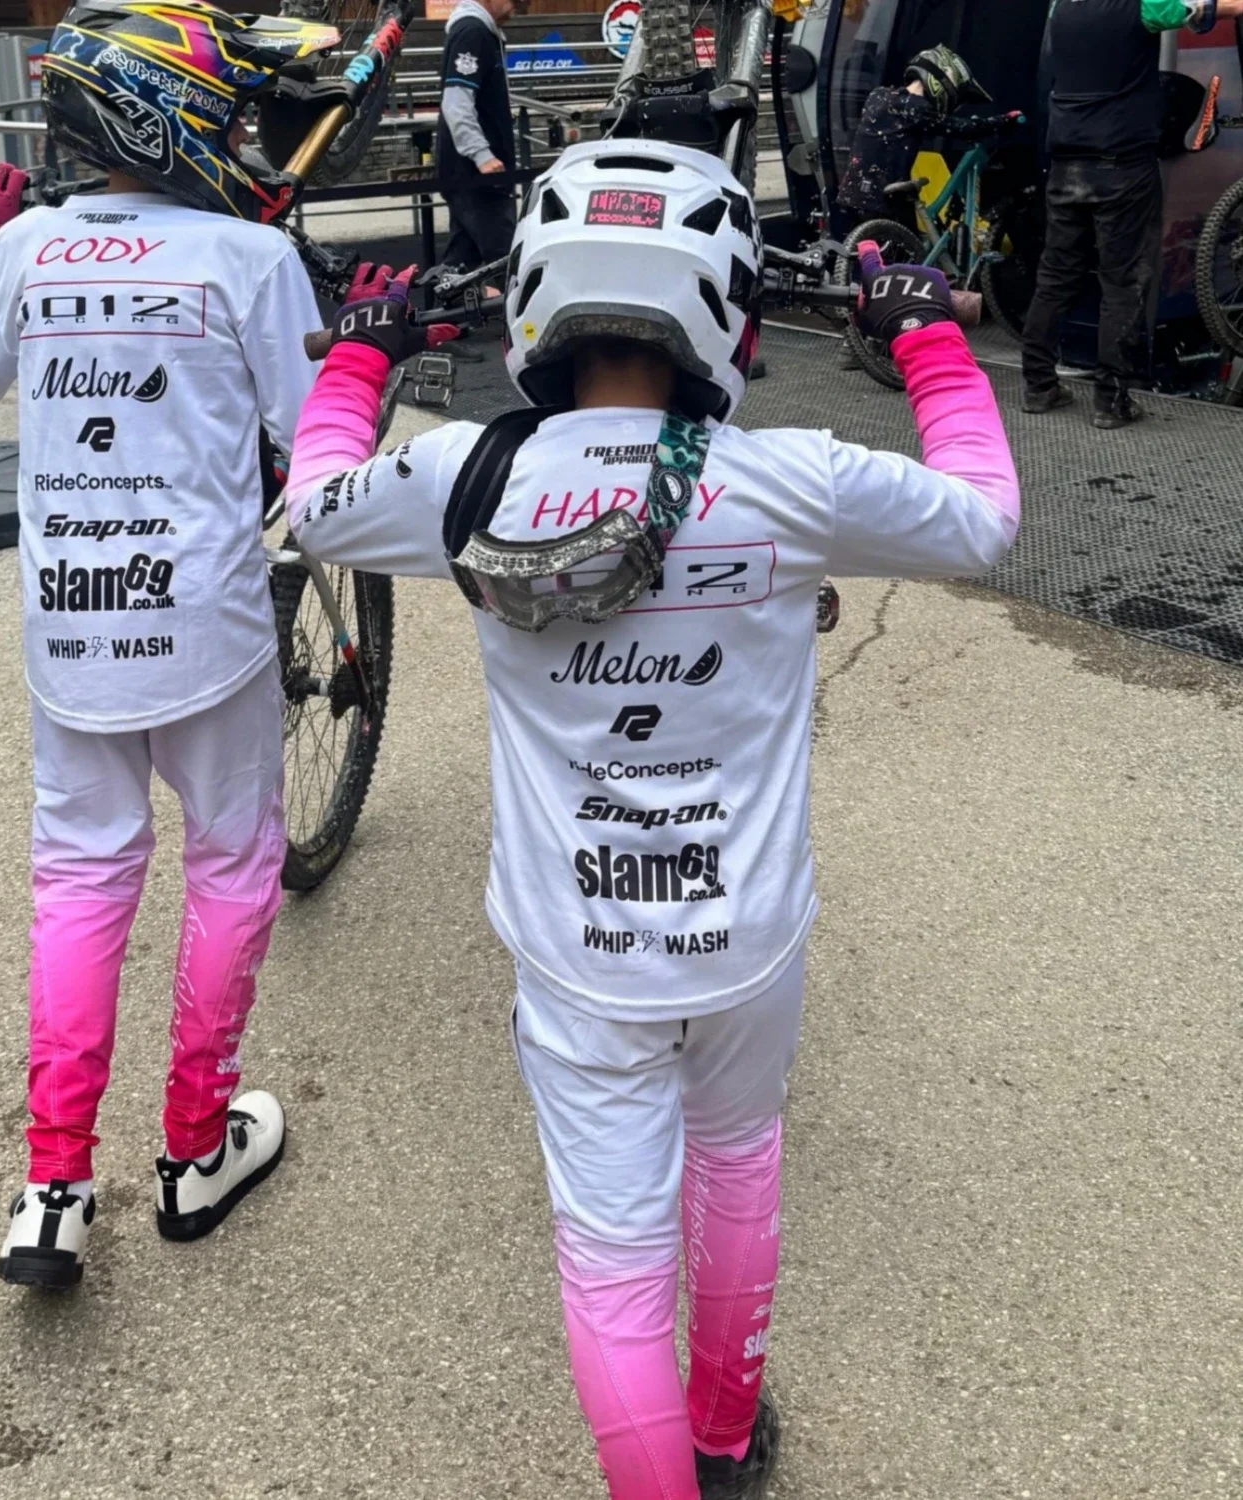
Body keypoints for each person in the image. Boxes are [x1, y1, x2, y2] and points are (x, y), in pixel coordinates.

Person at [285, 140, 1019, 1500]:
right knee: (739, 1162)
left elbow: (313, 511)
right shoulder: (788, 479)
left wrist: (359, 359)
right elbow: (984, 521)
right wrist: (922, 338)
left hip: (580, 954)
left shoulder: (467, 474)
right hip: (748, 938)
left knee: (611, 1256)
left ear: (541, 307)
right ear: (727, 307)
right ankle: (727, 1437)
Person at [0, 0, 324, 1288]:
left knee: (80, 878)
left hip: (69, 630)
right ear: (175, 109)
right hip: (207, 626)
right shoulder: (250, 259)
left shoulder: (24, 246)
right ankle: (198, 1146)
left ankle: (53, 1184)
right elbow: (320, 450)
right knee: (232, 860)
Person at [1022, 0, 1243, 427]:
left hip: (1068, 162)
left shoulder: (1059, 9)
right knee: (1123, 282)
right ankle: (1112, 400)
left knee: (1055, 278)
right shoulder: (1138, 7)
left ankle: (1039, 386)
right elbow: (1194, 9)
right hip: (1121, 164)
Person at [836, 44, 990, 369]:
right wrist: (1002, 121)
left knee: (866, 271)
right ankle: (892, 341)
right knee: (898, 275)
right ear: (941, 81)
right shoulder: (915, 107)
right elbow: (957, 128)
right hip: (886, 198)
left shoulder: (880, 95)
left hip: (854, 194)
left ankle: (853, 346)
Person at [436, 0, 521, 271]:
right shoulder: (473, 32)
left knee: (460, 267)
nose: (519, 8)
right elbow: (456, 102)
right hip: (480, 177)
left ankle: (445, 312)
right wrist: (482, 155)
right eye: (516, 1)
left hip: (470, 175)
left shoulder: (479, 32)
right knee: (508, 266)